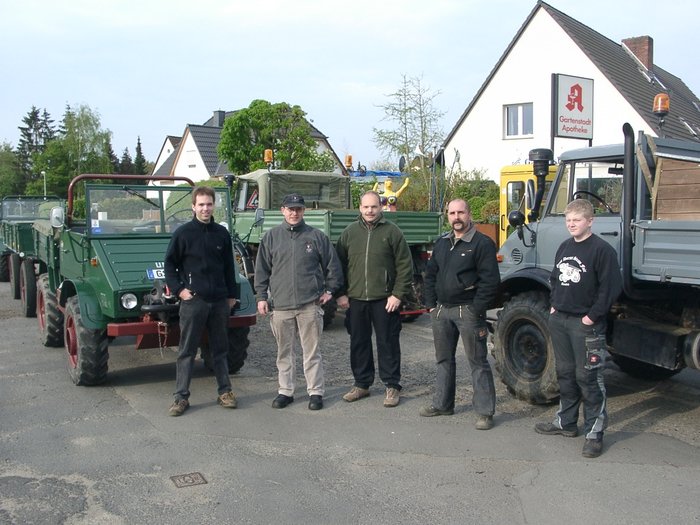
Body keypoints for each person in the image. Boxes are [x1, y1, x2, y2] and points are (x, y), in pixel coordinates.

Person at [535, 199, 622, 458]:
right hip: (560, 320)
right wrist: (554, 306)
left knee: (589, 378)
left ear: (590, 221)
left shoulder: (602, 250)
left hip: (585, 325)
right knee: (565, 373)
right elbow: (555, 278)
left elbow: (610, 288)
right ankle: (566, 422)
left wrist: (591, 317)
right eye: (568, 220)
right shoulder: (565, 246)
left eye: (577, 220)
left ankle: (594, 433)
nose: (571, 224)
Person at [255, 193, 343, 411]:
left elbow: (333, 266)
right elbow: (262, 270)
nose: (294, 213)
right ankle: (286, 391)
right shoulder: (271, 237)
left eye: (298, 209)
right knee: (284, 353)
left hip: (309, 305)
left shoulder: (316, 236)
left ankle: (316, 392)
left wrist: (330, 290)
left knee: (311, 352)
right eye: (290, 209)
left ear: (304, 211)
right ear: (282, 210)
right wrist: (261, 297)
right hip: (281, 306)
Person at [420, 199, 500, 430]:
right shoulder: (442, 243)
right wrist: (431, 305)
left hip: (468, 311)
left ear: (469, 214)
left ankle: (485, 413)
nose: (456, 217)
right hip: (441, 311)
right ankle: (443, 405)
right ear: (447, 216)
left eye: (460, 212)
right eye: (452, 213)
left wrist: (476, 309)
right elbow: (430, 275)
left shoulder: (482, 243)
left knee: (478, 362)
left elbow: (490, 281)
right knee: (443, 360)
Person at [164, 186, 238, 416]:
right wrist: (180, 291)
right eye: (201, 204)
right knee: (186, 351)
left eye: (209, 204)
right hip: (194, 301)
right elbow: (169, 265)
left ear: (214, 205)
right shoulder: (183, 234)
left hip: (219, 302)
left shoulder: (221, 234)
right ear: (193, 206)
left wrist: (232, 295)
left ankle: (225, 392)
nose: (205, 208)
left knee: (220, 349)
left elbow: (229, 267)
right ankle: (180, 398)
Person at [336, 190, 413, 407]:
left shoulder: (392, 232)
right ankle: (361, 384)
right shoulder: (349, 233)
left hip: (385, 300)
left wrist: (397, 294)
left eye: (374, 207)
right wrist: (340, 293)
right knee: (359, 342)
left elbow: (405, 265)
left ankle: (392, 385)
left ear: (381, 207)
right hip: (356, 299)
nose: (370, 211)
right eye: (366, 207)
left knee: (388, 342)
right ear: (360, 208)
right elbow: (338, 265)